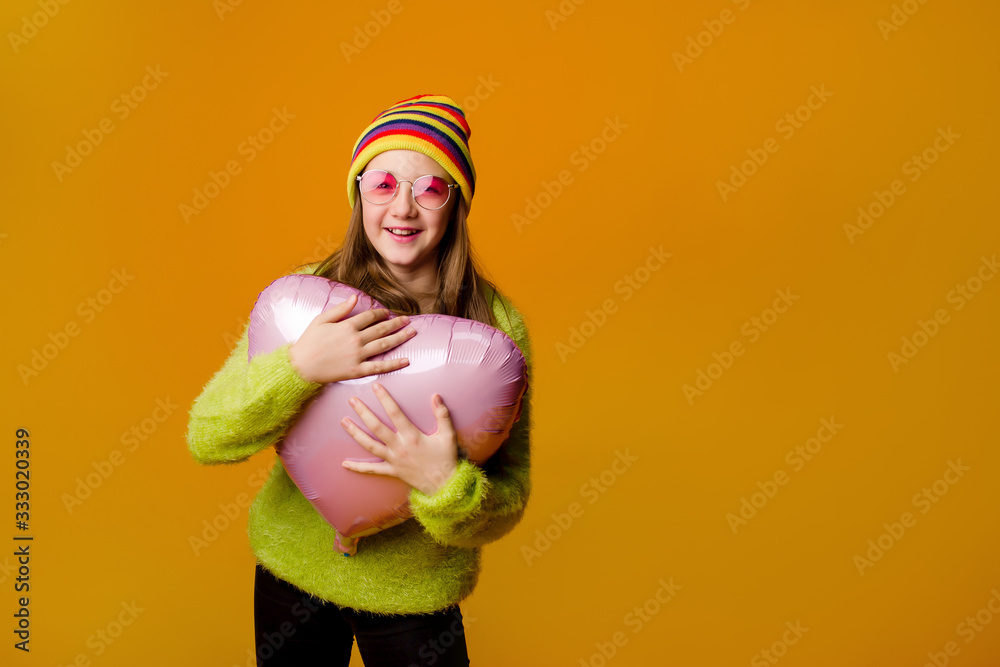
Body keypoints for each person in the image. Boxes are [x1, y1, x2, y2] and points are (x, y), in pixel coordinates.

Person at [185, 94, 534, 667]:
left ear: (456, 205)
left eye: (429, 189)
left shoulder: (495, 330)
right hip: (291, 581)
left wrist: (444, 482)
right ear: (358, 195)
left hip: (415, 601)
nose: (404, 208)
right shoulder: (303, 303)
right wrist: (298, 369)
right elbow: (209, 437)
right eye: (383, 184)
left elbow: (509, 500)